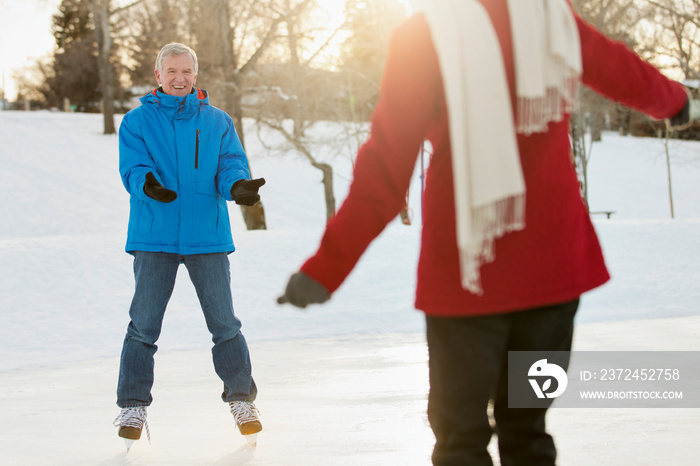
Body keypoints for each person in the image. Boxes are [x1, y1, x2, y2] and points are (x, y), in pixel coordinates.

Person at [278, 1, 698, 464]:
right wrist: (675, 101)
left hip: (466, 274)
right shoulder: (550, 20)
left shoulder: (423, 36)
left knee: (461, 437)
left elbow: (385, 168)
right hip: (552, 276)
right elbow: (620, 68)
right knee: (528, 432)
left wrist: (326, 269)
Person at [114, 43, 265, 447]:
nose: (179, 78)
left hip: (206, 236)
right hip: (155, 234)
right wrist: (148, 184)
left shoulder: (217, 121)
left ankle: (241, 400)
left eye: (186, 71)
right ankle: (132, 405)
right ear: (158, 75)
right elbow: (133, 167)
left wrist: (238, 187)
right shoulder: (136, 121)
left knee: (225, 325)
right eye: (171, 71)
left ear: (195, 76)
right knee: (143, 327)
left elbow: (229, 165)